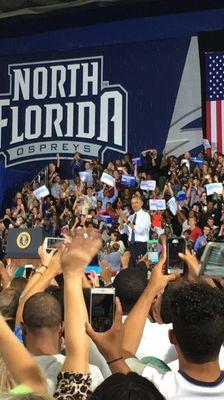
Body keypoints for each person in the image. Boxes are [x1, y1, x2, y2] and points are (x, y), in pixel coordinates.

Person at [118, 196, 151, 268]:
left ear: (141, 203)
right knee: (125, 262)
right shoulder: (131, 217)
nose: (134, 205)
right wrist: (121, 217)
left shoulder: (145, 215)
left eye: (136, 202)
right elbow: (122, 230)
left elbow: (140, 230)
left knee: (138, 268)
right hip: (131, 245)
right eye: (132, 203)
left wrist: (126, 220)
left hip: (141, 246)